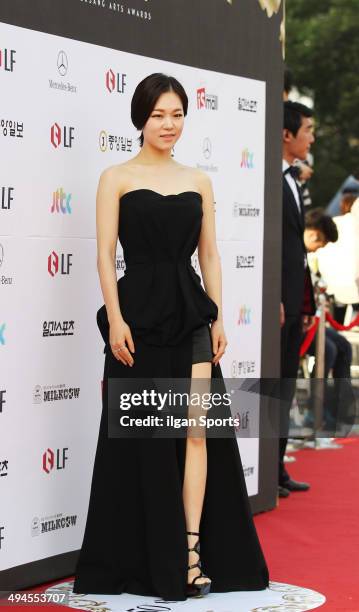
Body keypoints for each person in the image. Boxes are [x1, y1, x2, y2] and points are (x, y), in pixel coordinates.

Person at [73, 73, 269, 600]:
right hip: (136, 317)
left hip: (191, 317)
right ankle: (152, 556)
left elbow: (209, 254)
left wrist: (220, 317)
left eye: (177, 114)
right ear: (140, 118)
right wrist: (114, 318)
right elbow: (104, 255)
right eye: (159, 114)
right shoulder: (116, 177)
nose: (169, 124)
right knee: (147, 439)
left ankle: (189, 553)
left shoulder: (199, 180)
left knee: (196, 433)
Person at [279, 101, 316, 499]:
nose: (311, 137)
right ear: (287, 134)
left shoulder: (294, 179)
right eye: (307, 129)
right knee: (275, 385)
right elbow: (275, 246)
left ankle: (277, 465)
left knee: (287, 383)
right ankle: (269, 468)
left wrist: (306, 304)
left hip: (295, 300)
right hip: (278, 302)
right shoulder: (272, 180)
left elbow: (299, 252)